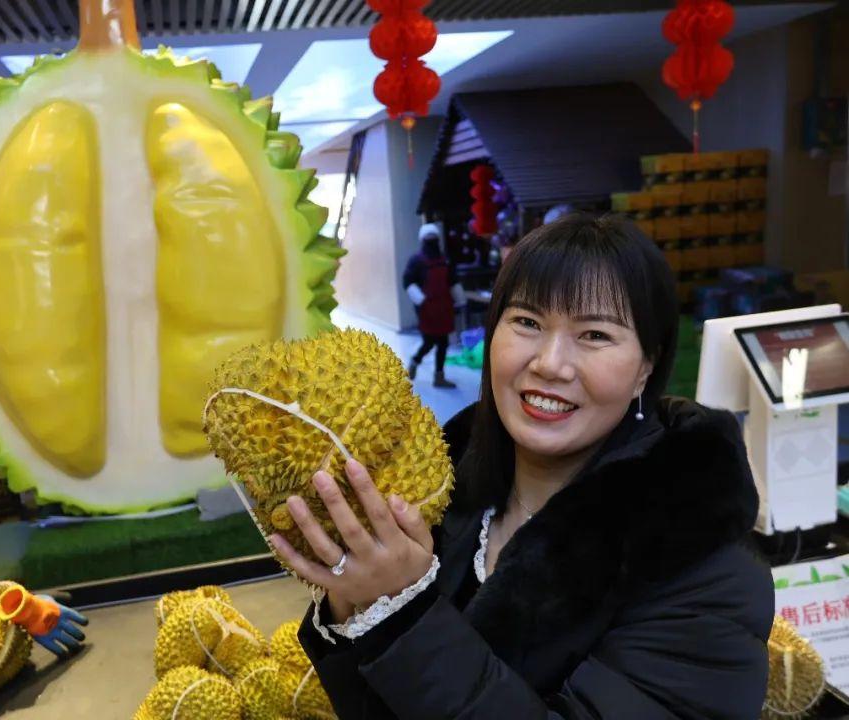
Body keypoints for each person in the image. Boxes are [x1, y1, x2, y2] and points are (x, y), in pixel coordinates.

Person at [269, 214, 772, 718]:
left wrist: (401, 613)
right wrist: (353, 603)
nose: (550, 363)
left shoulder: (707, 567)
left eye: (594, 334)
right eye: (528, 322)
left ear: (645, 367)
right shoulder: (439, 497)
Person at [403, 223, 466, 388]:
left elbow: (452, 281)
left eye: (434, 238)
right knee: (429, 342)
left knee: (443, 343)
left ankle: (439, 377)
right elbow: (408, 282)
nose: (431, 241)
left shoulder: (445, 260)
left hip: (444, 307)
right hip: (427, 309)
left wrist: (460, 300)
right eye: (428, 239)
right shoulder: (416, 261)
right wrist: (421, 300)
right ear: (423, 240)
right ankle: (415, 361)